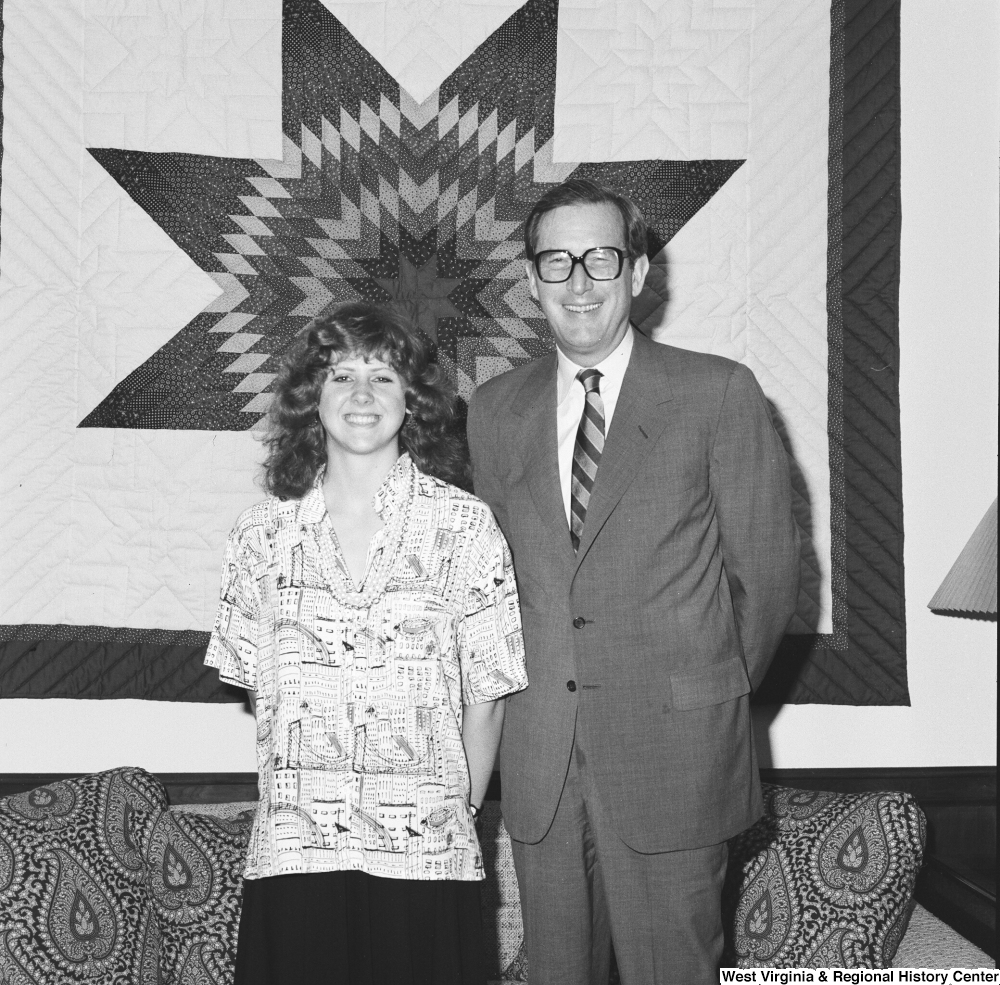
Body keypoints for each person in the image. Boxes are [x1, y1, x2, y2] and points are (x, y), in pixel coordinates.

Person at [466, 178, 800, 984]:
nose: (578, 281)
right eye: (556, 260)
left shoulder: (717, 393)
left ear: (640, 271)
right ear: (532, 280)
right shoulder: (492, 409)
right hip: (540, 754)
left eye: (601, 257)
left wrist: (705, 692)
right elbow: (484, 591)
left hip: (674, 757)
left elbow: (768, 578)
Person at [205, 302, 527, 985]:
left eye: (382, 377)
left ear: (412, 400)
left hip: (426, 852)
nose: (360, 393)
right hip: (297, 851)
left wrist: (457, 810)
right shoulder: (260, 536)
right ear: (310, 398)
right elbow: (256, 693)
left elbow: (489, 696)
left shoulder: (466, 528)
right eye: (339, 374)